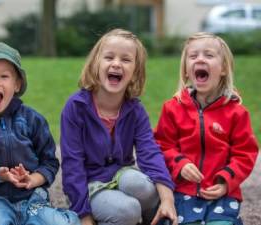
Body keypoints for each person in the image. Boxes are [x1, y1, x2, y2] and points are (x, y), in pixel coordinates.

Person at [0, 40, 80, 225]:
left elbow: (50, 162)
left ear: (17, 84)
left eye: (4, 76)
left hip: (33, 199)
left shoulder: (33, 120)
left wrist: (33, 179)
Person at [60, 28, 178, 225]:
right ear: (96, 63)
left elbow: (150, 153)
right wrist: (84, 216)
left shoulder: (135, 110)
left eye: (125, 59)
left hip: (120, 176)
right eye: (109, 57)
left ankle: (157, 219)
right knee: (128, 211)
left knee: (142, 186)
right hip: (90, 186)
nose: (116, 63)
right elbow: (73, 165)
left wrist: (167, 199)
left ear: (135, 71)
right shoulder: (76, 107)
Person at [154, 32, 259, 225]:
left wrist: (225, 182)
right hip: (182, 191)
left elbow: (245, 153)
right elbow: (162, 145)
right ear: (186, 70)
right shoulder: (172, 108)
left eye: (209, 55)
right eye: (193, 56)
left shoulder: (237, 112)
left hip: (221, 194)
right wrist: (180, 164)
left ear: (224, 68)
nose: (200, 59)